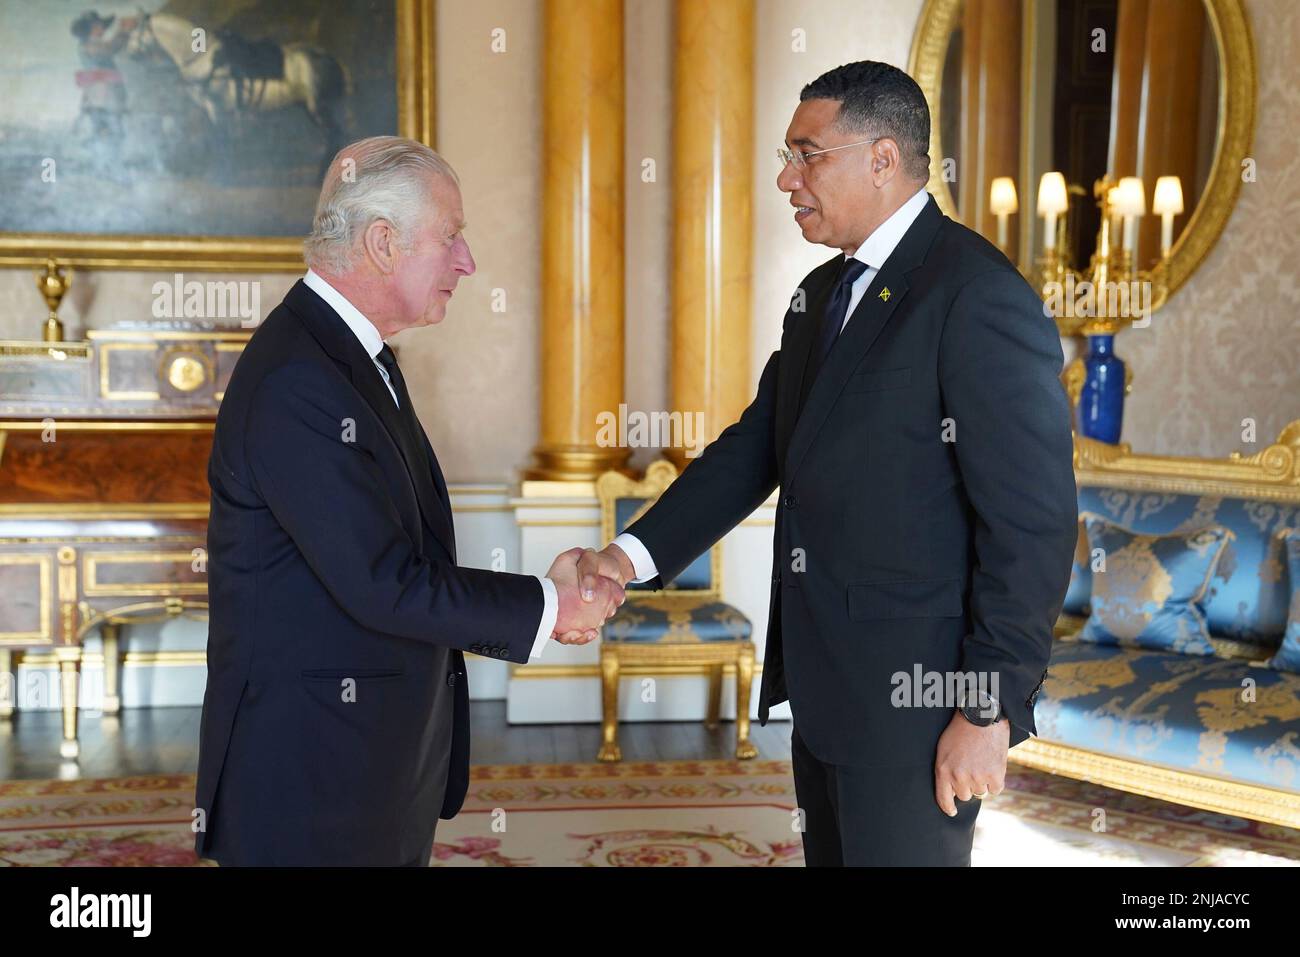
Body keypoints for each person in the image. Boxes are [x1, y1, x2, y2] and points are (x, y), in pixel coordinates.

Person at [568, 61, 1078, 866]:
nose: (785, 178)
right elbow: (754, 450)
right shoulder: (818, 295)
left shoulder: (977, 294)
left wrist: (988, 710)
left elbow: (1035, 524)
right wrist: (622, 558)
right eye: (787, 155)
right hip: (826, 684)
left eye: (807, 155)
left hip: (923, 702)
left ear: (882, 158)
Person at [195, 136, 623, 866]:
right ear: (383, 243)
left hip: (360, 763)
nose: (468, 262)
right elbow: (384, 580)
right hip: (310, 781)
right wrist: (549, 604)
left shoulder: (351, 355)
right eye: (452, 236)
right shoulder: (300, 379)